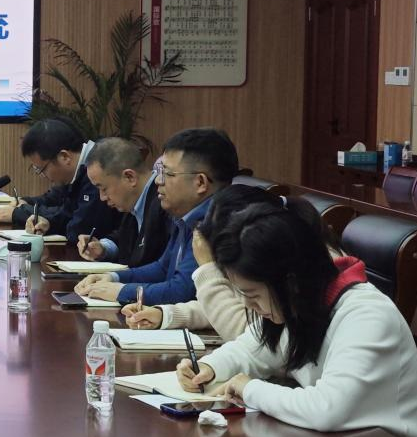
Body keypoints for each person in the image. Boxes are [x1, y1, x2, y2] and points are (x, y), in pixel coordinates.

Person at [176, 196, 417, 437]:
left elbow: (328, 408)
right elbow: (252, 348)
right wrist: (209, 368)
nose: (247, 304)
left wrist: (249, 388)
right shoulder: (303, 304)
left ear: (290, 281)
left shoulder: (367, 316)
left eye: (252, 294)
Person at [77, 127, 238, 305]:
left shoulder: (216, 222)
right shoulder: (185, 217)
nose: (158, 180)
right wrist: (113, 277)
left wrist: (121, 291)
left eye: (167, 174)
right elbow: (162, 268)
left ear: (200, 182)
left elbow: (182, 291)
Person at [119, 184, 274, 340]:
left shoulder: (271, 270)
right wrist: (163, 315)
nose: (159, 181)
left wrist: (207, 268)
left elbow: (249, 333)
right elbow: (220, 309)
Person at [0, 118, 120, 242]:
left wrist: (21, 214)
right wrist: (42, 216)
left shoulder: (97, 170)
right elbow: (60, 205)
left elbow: (79, 231)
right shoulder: (76, 173)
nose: (43, 175)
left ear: (64, 157)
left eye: (42, 169)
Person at [76, 137, 169, 269]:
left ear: (129, 177)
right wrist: (103, 248)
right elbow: (125, 237)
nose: (102, 198)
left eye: (104, 188)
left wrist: (115, 278)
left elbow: (156, 267)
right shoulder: (135, 200)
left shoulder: (165, 204)